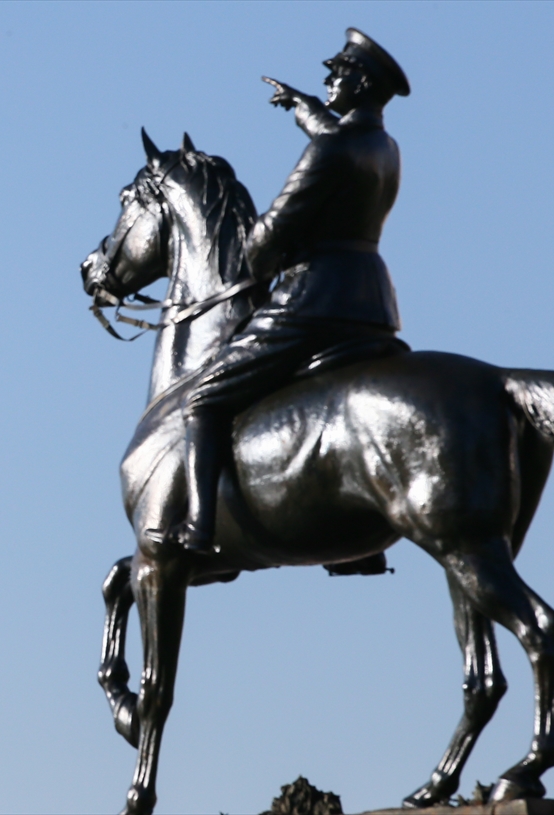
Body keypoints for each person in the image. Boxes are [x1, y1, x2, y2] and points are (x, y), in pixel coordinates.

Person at [172, 28, 413, 553]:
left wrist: (254, 245)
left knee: (203, 399)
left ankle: (198, 527)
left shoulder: (329, 150)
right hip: (372, 306)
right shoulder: (384, 146)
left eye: (339, 71)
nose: (329, 78)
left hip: (312, 302)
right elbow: (338, 140)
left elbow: (267, 242)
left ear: (362, 80)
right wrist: (301, 108)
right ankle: (359, 555)